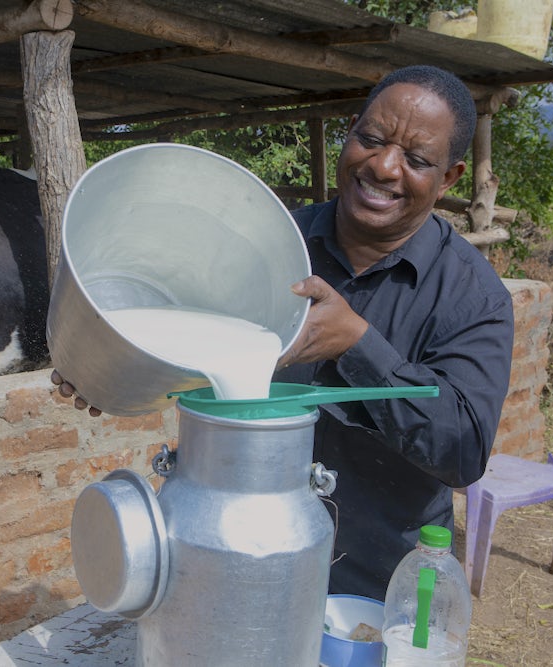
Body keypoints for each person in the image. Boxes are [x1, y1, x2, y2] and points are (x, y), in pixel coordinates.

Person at [52, 65, 514, 601]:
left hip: (374, 585)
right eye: (371, 139)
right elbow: (182, 334)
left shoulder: (471, 295)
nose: (385, 167)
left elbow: (462, 451)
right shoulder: (268, 244)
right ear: (350, 130)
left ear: (451, 178)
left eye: (415, 160)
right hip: (227, 551)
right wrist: (106, 363)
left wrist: (358, 345)